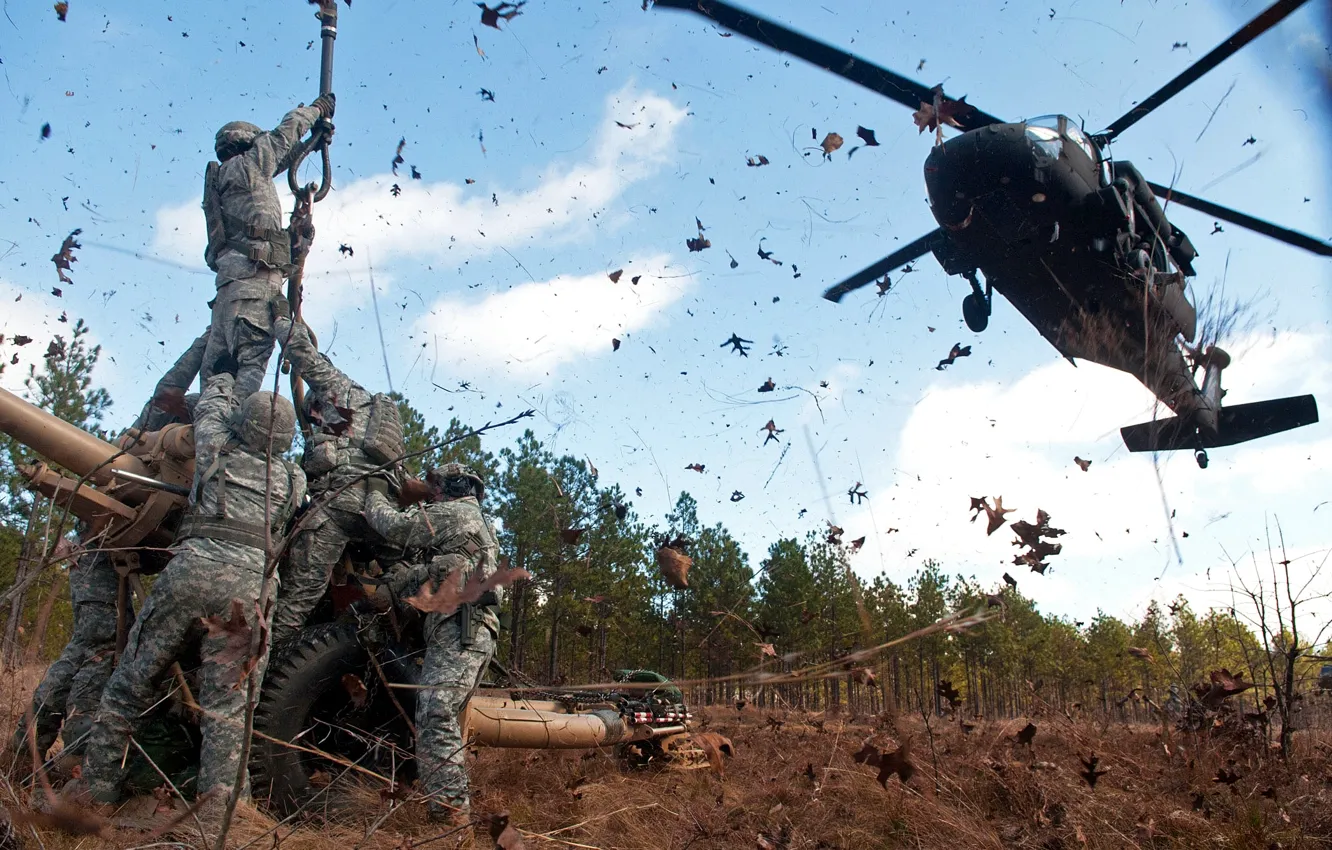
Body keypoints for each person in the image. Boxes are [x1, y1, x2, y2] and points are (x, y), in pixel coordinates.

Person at [82, 356, 306, 806]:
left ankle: (94, 793)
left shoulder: (216, 448)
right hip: (249, 590)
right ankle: (223, 812)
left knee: (131, 683)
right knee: (229, 712)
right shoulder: (294, 477)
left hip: (192, 571)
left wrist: (223, 376)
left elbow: (208, 411)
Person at [11, 332, 209, 764]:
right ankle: (48, 750)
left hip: (137, 554)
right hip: (102, 549)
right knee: (100, 643)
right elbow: (170, 387)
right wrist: (207, 340)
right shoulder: (159, 430)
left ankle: (45, 750)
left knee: (109, 646)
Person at [360, 464, 501, 823]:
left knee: (435, 713)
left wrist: (374, 490)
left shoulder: (455, 513)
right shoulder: (478, 526)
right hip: (469, 628)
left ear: (451, 488)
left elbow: (392, 526)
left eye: (434, 487)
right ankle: (449, 809)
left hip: (462, 627)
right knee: (441, 717)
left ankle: (451, 818)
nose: (430, 493)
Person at [267, 316, 404, 646]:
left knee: (295, 604)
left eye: (314, 413)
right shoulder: (374, 409)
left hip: (340, 503)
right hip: (383, 509)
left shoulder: (333, 384)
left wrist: (278, 317)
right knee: (403, 578)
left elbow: (300, 350)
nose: (314, 419)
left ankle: (264, 674)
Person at [199, 94, 335, 399]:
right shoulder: (250, 165)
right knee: (246, 389)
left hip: (225, 301)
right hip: (254, 292)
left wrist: (313, 140)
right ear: (249, 144)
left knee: (213, 391)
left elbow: (283, 158)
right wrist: (316, 111)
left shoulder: (222, 181)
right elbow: (282, 137)